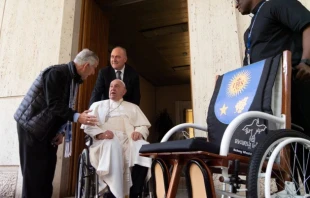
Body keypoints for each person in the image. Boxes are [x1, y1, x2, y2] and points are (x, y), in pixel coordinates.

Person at [236, 0, 310, 193]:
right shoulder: (249, 31)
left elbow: (308, 25)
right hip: (271, 97)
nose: (234, 4)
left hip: (294, 87)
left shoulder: (276, 4)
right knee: (287, 153)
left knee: (304, 145)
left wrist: (306, 61)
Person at [14, 49, 99, 198]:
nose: (92, 74)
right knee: (33, 178)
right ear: (86, 66)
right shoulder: (56, 73)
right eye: (93, 69)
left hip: (47, 131)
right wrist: (77, 117)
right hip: (32, 129)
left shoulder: (72, 79)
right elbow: (54, 104)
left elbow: (62, 108)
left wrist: (61, 132)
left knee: (46, 176)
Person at [82, 79, 151, 198]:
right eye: (111, 86)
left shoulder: (132, 107)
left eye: (117, 86)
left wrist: (138, 132)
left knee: (143, 147)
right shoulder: (97, 105)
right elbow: (88, 126)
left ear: (123, 91)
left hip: (128, 139)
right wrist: (101, 134)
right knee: (113, 145)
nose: (112, 88)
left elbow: (143, 125)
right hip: (104, 140)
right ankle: (113, 192)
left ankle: (135, 191)